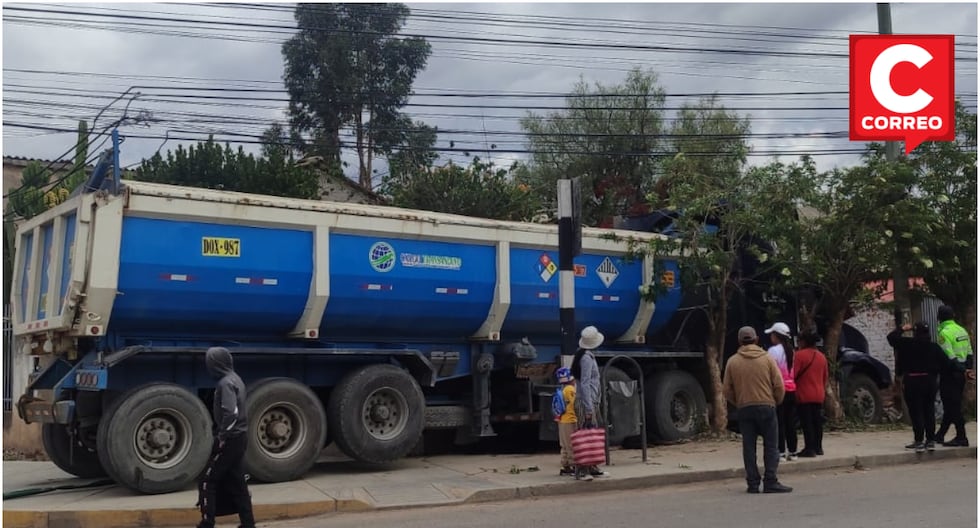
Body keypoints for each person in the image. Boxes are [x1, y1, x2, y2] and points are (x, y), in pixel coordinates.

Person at [723, 326, 792, 494]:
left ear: (739, 342)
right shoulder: (767, 359)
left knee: (749, 447)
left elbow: (727, 390)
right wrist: (775, 401)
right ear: (756, 340)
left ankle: (753, 483)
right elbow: (779, 385)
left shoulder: (733, 361)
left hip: (745, 408)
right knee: (771, 446)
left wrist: (739, 402)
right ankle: (770, 481)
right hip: (767, 406)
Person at [197, 347, 255, 528]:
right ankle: (248, 524)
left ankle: (207, 522)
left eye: (210, 362)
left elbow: (231, 412)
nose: (208, 366)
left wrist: (222, 436)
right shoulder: (236, 378)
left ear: (216, 364)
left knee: (208, 479)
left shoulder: (225, 383)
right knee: (238, 483)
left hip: (230, 439)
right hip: (240, 438)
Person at [887, 322, 947, 452]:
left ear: (915, 332)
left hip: (912, 381)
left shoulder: (907, 344)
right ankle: (930, 440)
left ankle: (919, 441)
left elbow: (891, 337)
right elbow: (945, 363)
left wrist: (902, 328)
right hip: (930, 381)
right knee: (929, 410)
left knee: (916, 411)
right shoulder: (934, 347)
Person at [571, 325, 607, 479]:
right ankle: (581, 470)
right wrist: (588, 408)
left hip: (590, 400)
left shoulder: (583, 355)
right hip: (587, 401)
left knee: (591, 434)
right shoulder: (586, 358)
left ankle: (592, 466)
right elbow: (585, 383)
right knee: (584, 435)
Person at [935, 305, 974, 447]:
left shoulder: (943, 333)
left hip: (950, 374)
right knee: (952, 404)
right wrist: (968, 369)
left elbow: (949, 357)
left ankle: (961, 436)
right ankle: (940, 435)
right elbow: (970, 352)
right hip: (961, 375)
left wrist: (962, 370)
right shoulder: (961, 330)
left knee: (952, 406)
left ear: (939, 318)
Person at [765, 322, 798, 460]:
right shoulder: (792, 351)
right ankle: (793, 451)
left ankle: (781, 451)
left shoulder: (773, 351)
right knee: (791, 421)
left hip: (779, 390)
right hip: (792, 389)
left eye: (772, 334)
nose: (771, 337)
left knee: (779, 422)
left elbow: (769, 370)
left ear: (777, 336)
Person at [793, 331, 828, 458]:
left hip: (804, 393)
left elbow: (794, 374)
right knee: (817, 421)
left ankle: (809, 448)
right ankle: (818, 447)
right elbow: (825, 376)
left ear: (803, 342)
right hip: (818, 393)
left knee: (806, 422)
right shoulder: (821, 356)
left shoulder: (799, 356)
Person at [553, 367, 581, 478]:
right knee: (571, 444)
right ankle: (574, 466)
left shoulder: (563, 389)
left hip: (562, 420)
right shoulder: (570, 390)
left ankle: (565, 466)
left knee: (564, 445)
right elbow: (575, 405)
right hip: (570, 420)